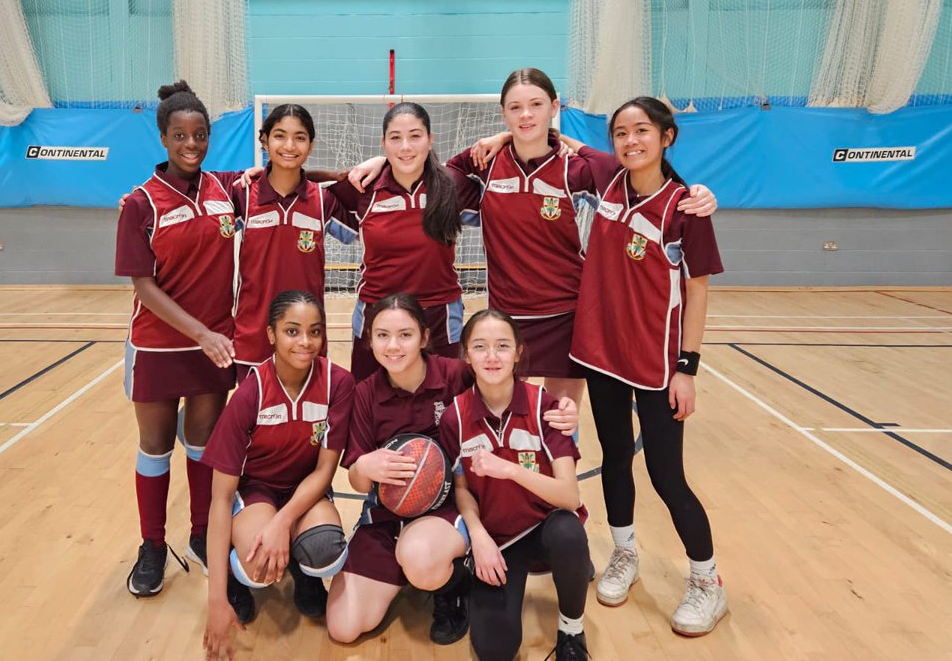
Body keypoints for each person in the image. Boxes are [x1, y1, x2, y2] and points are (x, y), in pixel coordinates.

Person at [448, 68, 717, 411]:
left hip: (566, 315)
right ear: (504, 114)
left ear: (555, 106)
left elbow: (641, 173)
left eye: (536, 104)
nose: (526, 114)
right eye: (515, 108)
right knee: (504, 416)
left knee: (559, 424)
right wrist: (498, 140)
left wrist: (696, 191)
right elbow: (438, 173)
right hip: (505, 315)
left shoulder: (576, 170)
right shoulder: (486, 165)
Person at [568, 96, 728, 636]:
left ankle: (708, 582)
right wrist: (497, 140)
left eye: (642, 131)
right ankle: (625, 552)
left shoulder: (685, 207)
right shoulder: (608, 179)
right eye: (621, 133)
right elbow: (561, 142)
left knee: (665, 475)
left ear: (667, 137)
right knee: (615, 459)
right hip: (600, 353)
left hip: (658, 365)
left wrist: (689, 367)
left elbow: (698, 291)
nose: (630, 140)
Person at [114, 81, 238, 596]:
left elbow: (287, 177)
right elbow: (143, 283)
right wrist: (202, 333)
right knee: (156, 446)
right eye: (180, 135)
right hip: (160, 346)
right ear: (163, 138)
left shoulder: (227, 190)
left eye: (201, 135)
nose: (192, 144)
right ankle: (152, 544)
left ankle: (203, 535)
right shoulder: (140, 204)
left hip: (212, 347)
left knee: (204, 446)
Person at [202, 291, 354, 661]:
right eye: (292, 331)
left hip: (306, 487)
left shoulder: (339, 383)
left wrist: (282, 524)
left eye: (314, 332)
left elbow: (324, 471)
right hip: (256, 493)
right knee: (257, 564)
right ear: (271, 334)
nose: (305, 342)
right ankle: (239, 583)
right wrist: (216, 600)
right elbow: (220, 500)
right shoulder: (250, 393)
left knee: (326, 548)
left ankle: (304, 575)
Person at [439, 309, 593, 661]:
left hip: (544, 526)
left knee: (570, 533)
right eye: (480, 346)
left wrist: (508, 469)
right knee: (495, 656)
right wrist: (478, 536)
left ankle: (572, 633)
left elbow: (569, 497)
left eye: (502, 346)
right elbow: (461, 490)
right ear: (466, 356)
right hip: (498, 539)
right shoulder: (455, 418)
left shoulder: (547, 408)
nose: (492, 356)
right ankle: (472, 582)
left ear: (519, 352)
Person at [325, 293, 474, 647]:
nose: (393, 346)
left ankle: (453, 585)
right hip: (387, 515)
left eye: (405, 335)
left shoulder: (455, 376)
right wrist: (365, 465)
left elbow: (509, 393)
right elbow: (358, 482)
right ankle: (415, 569)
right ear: (370, 339)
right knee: (343, 628)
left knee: (419, 556)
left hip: (448, 511)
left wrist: (557, 410)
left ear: (424, 337)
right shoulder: (364, 394)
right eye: (382, 335)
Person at [329, 103, 475, 381]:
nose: (405, 146)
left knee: (446, 405)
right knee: (367, 401)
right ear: (383, 144)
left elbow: (493, 175)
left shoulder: (452, 184)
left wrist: (501, 137)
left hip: (440, 315)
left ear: (431, 140)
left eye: (415, 136)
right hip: (376, 314)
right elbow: (305, 186)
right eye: (395, 138)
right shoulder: (364, 186)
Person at [231, 104, 357, 377]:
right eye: (279, 135)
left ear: (311, 145)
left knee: (307, 419)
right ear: (264, 140)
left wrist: (336, 175)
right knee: (258, 418)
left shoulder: (324, 201)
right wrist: (137, 201)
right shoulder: (243, 195)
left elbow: (360, 222)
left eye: (300, 137)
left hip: (306, 340)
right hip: (253, 337)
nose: (289, 145)